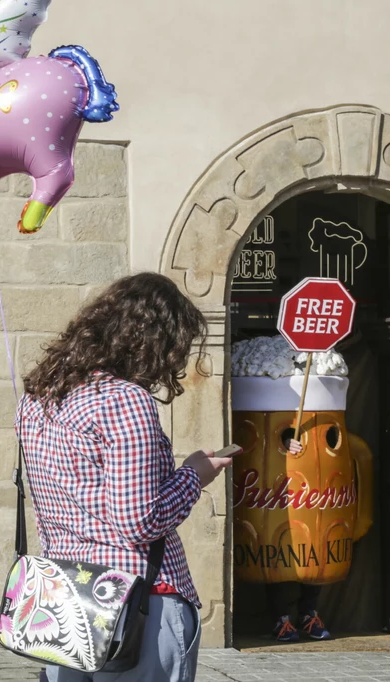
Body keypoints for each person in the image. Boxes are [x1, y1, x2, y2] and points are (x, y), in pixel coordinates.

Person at [18, 273, 234, 682]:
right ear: (153, 341)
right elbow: (139, 521)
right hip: (137, 603)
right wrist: (193, 475)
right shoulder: (124, 399)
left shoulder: (37, 397)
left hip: (65, 599)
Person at [265, 435, 331, 643]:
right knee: (276, 552)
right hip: (277, 485)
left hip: (309, 486)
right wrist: (283, 442)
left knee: (314, 549)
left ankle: (307, 613)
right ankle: (279, 619)